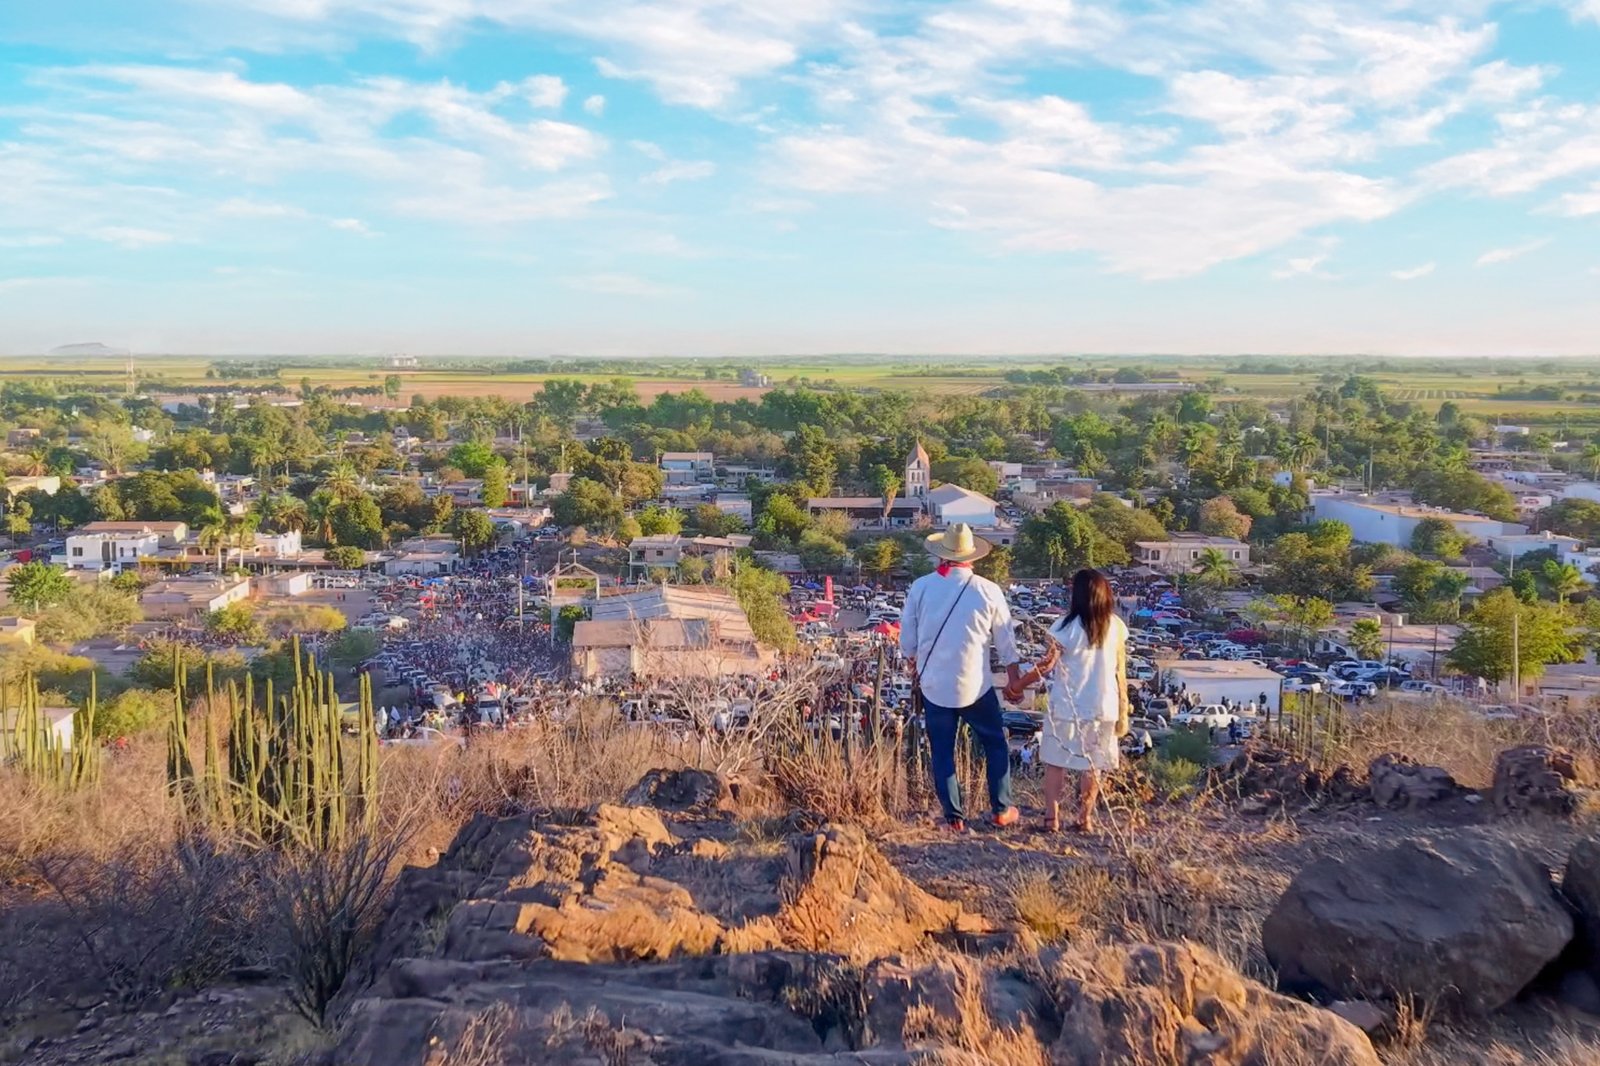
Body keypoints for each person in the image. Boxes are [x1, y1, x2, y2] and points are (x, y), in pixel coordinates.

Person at [900, 523, 1022, 832]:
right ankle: (1001, 809)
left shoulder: (921, 587)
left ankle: (954, 818)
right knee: (995, 744)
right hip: (976, 686)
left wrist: (915, 661)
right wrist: (1013, 680)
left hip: (934, 685)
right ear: (972, 557)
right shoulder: (989, 590)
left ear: (941, 556)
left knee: (942, 751)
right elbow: (1006, 642)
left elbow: (907, 644)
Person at [1006, 568, 1129, 833]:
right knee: (1092, 766)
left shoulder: (1065, 627)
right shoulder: (1116, 626)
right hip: (1103, 707)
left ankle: (1052, 818)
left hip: (1067, 707)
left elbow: (1047, 665)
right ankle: (1084, 818)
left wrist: (1018, 685)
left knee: (1056, 764)